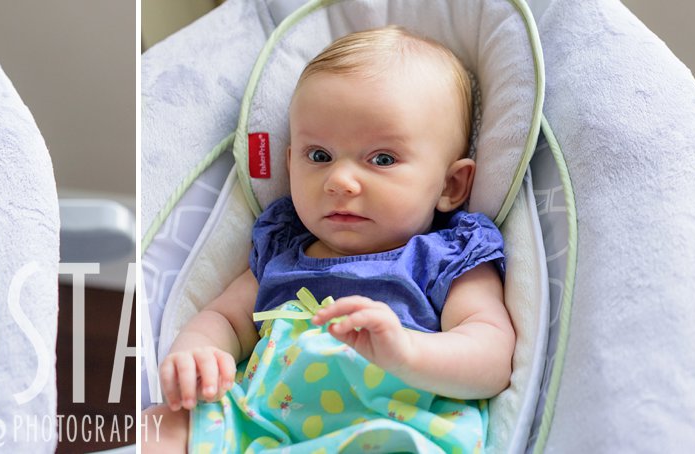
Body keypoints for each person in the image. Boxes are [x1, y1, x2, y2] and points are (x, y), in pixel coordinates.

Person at [144, 26, 514, 453]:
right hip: (256, 423)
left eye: (382, 159)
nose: (339, 181)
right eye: (319, 156)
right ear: (289, 163)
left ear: (450, 185)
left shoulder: (445, 257)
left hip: (388, 428)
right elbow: (225, 320)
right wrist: (200, 353)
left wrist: (408, 351)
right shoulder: (281, 251)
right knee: (158, 428)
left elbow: (492, 356)